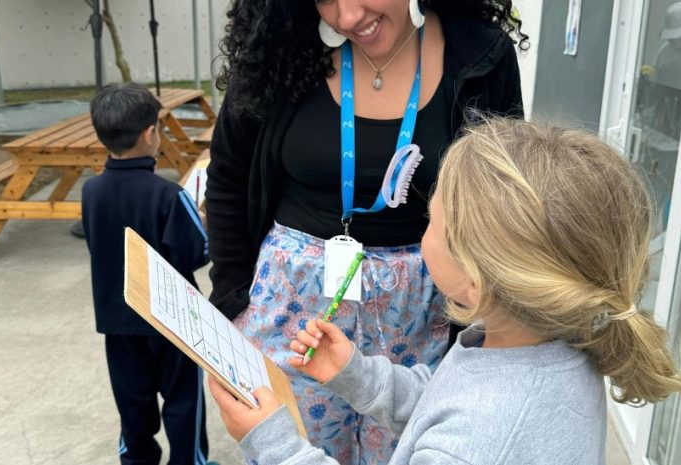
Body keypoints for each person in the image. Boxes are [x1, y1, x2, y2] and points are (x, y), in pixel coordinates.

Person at [209, 117, 681, 465]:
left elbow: (464, 424)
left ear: (475, 279)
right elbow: (446, 398)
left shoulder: (479, 441)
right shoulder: (545, 343)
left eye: (433, 222)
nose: (424, 234)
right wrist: (357, 375)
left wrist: (271, 441)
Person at [206, 1, 526, 462]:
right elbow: (229, 177)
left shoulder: (480, 56)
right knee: (286, 449)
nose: (348, 17)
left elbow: (502, 201)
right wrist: (232, 301)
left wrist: (484, 324)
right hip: (291, 313)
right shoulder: (279, 48)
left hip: (424, 317)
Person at [81, 82, 211, 465]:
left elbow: (97, 244)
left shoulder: (91, 192)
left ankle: (137, 460)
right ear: (151, 133)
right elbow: (196, 253)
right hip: (173, 323)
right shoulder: (169, 196)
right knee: (184, 402)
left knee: (133, 406)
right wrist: (202, 221)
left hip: (118, 321)